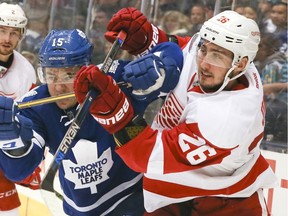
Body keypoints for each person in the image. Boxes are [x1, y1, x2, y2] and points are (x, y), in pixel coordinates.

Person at [75, 8, 278, 215]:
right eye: (204, 49)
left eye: (217, 56)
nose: (204, 63)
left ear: (240, 64)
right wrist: (147, 40)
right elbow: (182, 49)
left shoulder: (227, 119)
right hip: (170, 196)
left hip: (227, 202)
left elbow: (144, 154)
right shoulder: (217, 61)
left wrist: (114, 112)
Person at [0, 28, 183, 216]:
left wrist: (160, 67)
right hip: (76, 209)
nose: (59, 87)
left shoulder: (113, 79)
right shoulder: (35, 105)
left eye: (68, 75)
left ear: (85, 67)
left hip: (133, 199)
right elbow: (18, 171)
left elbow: (174, 53)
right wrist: (12, 142)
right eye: (51, 76)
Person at [0, 3, 38, 216]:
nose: (7, 38)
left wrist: (33, 159)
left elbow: (30, 117)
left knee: (8, 212)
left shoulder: (26, 72)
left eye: (14, 33)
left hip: (2, 151)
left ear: (21, 35)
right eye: (2, 31)